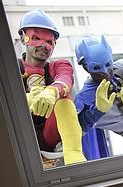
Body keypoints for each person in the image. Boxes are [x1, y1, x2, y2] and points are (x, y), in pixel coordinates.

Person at [18, 9, 86, 166]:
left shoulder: (58, 66)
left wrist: (52, 91)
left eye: (49, 42)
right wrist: (29, 100)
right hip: (21, 133)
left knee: (64, 99)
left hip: (50, 133)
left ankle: (74, 154)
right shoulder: (11, 68)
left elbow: (65, 79)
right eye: (36, 38)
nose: (44, 46)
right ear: (23, 37)